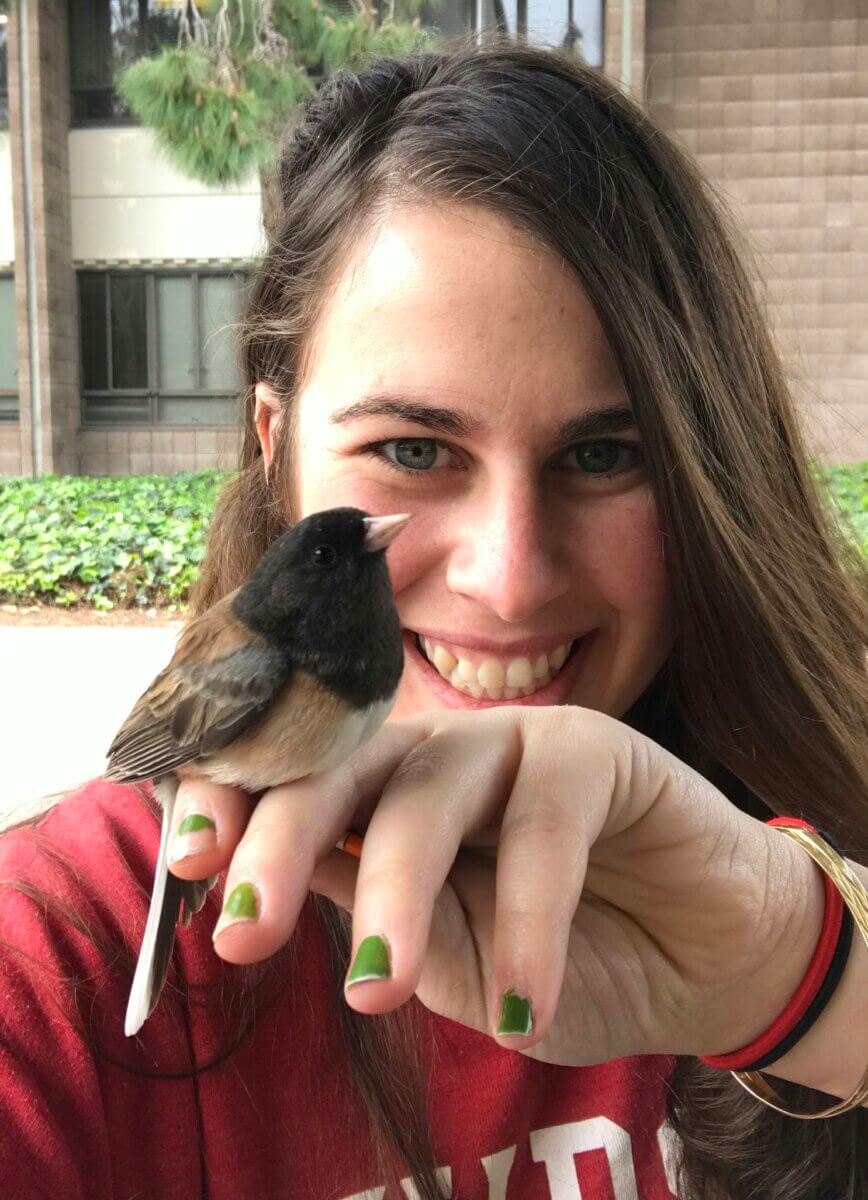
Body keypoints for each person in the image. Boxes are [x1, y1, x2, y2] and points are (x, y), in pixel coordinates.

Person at [1, 38, 865, 1200]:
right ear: (276, 445)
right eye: (412, 450)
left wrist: (811, 977)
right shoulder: (53, 958)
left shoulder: (830, 786)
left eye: (605, 455)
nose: (509, 580)